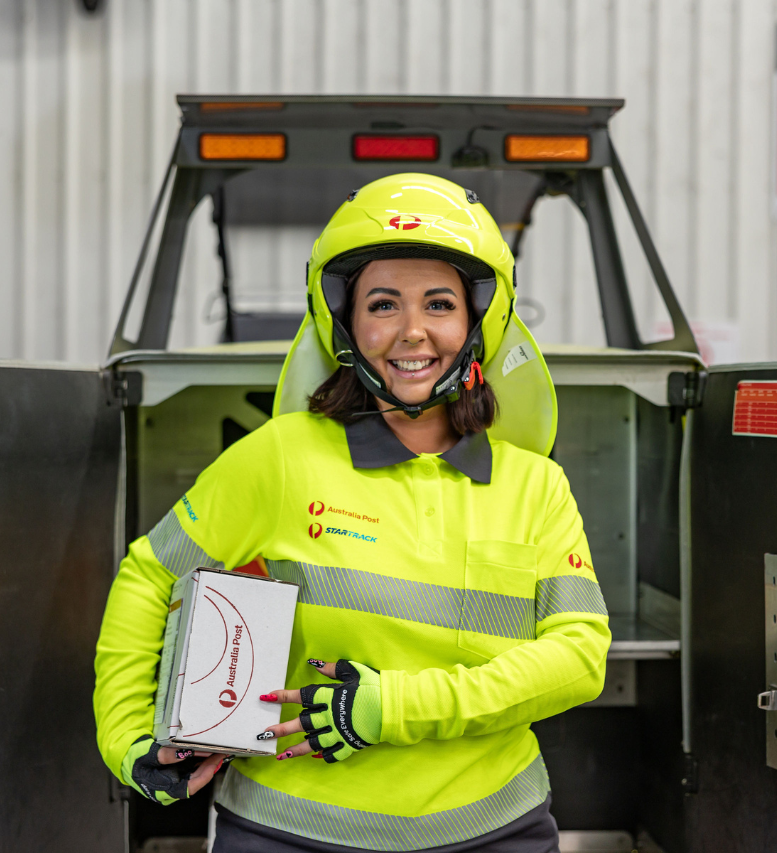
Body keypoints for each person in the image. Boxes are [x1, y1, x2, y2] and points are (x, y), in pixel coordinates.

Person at [94, 173, 611, 852]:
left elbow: (578, 657)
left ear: (478, 321)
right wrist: (129, 736)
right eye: (383, 304)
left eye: (439, 303)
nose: (413, 331)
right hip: (289, 831)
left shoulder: (535, 486)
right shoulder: (281, 457)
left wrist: (384, 708)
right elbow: (148, 575)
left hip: (494, 828)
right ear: (347, 322)